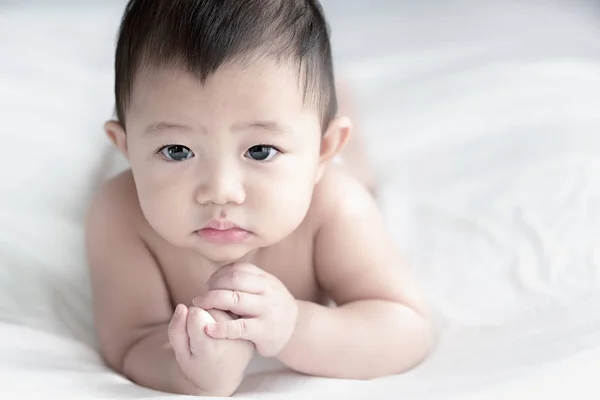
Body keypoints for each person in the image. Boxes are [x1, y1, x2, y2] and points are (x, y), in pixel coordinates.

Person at [86, 0, 433, 396]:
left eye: (261, 151)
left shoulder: (335, 207)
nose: (221, 191)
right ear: (126, 149)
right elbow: (131, 341)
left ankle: (337, 110)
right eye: (177, 151)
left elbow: (406, 326)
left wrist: (295, 328)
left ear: (323, 151)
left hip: (333, 179)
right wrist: (191, 372)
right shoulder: (120, 215)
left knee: (359, 180)